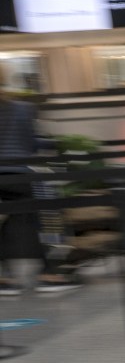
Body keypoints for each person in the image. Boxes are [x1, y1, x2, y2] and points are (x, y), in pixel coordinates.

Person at [0, 90, 82, 296]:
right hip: (19, 175)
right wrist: (59, 143)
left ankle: (5, 278)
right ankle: (47, 274)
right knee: (43, 219)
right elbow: (32, 144)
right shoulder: (22, 108)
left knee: (9, 221)